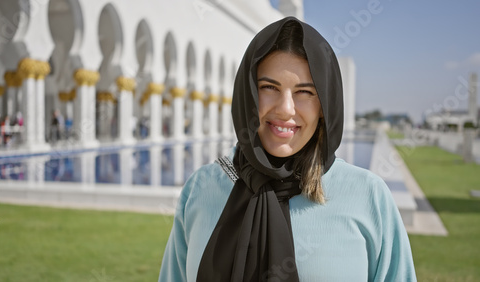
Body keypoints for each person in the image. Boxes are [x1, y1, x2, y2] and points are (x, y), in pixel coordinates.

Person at [159, 17, 416, 281]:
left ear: (324, 107)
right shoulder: (203, 188)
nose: (285, 109)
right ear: (248, 93)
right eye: (269, 87)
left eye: (304, 92)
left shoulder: (368, 196)